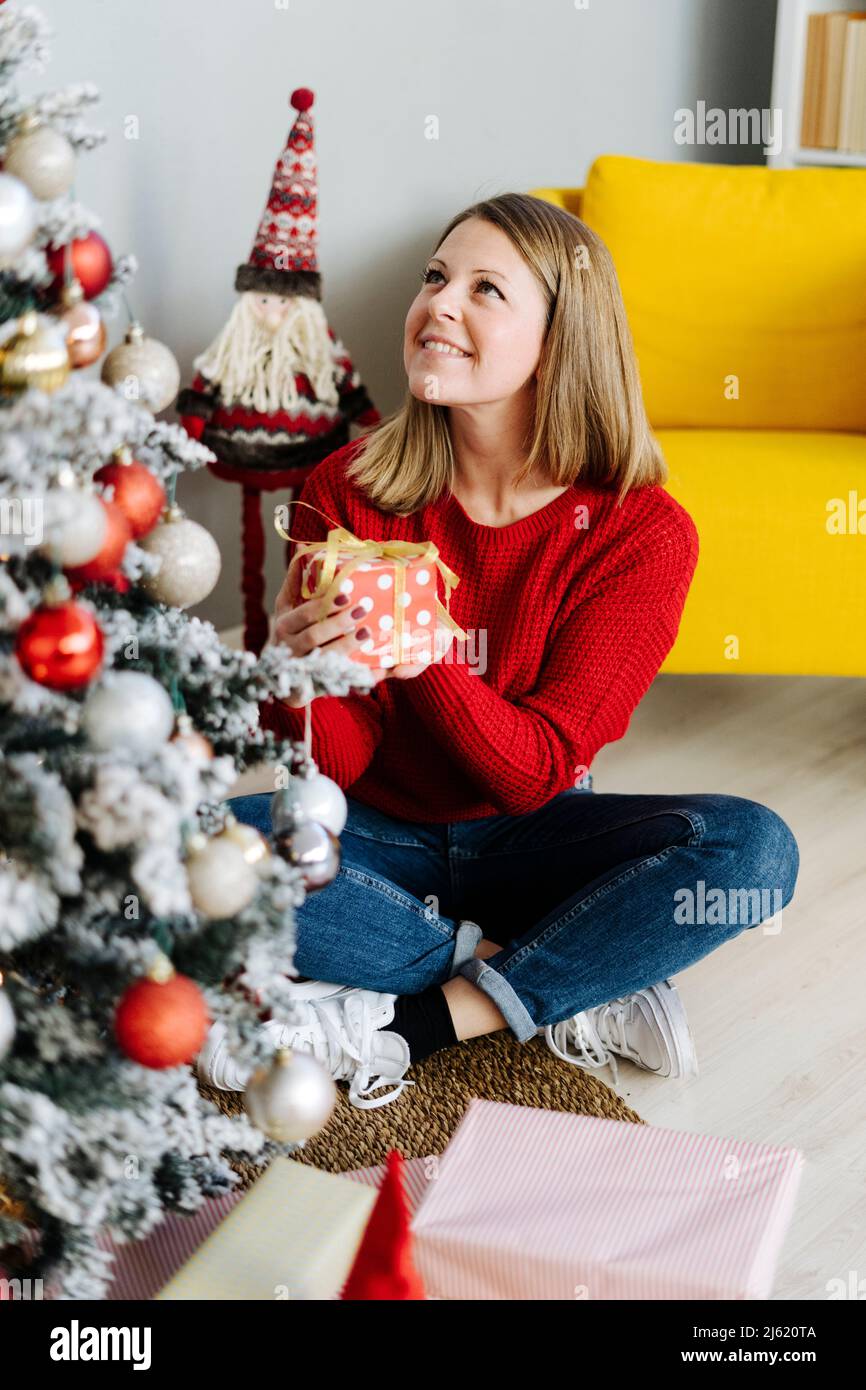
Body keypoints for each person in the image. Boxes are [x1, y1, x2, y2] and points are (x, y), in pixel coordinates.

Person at [196, 192, 800, 1109]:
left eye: (486, 289)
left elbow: (538, 770)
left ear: (561, 342)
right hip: (376, 829)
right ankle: (552, 971)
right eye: (436, 278)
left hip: (536, 833)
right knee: (177, 848)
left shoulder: (639, 534)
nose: (440, 303)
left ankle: (416, 1022)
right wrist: (294, 678)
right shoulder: (347, 488)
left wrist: (426, 653)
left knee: (753, 853)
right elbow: (344, 754)